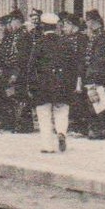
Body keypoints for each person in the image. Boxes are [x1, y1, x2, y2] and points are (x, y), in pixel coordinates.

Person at [26, 12, 83, 154]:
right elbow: (73, 66)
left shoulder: (39, 44)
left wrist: (32, 87)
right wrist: (71, 85)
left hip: (43, 86)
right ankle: (62, 132)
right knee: (62, 110)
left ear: (43, 27)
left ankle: (47, 146)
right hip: (62, 85)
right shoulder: (66, 43)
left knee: (44, 115)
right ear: (56, 26)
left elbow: (31, 67)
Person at [79, 9, 105, 140]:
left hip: (97, 76)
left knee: (97, 103)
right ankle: (95, 129)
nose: (87, 24)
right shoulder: (96, 36)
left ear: (94, 21)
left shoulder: (103, 37)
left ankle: (98, 130)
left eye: (88, 21)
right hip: (92, 75)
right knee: (93, 103)